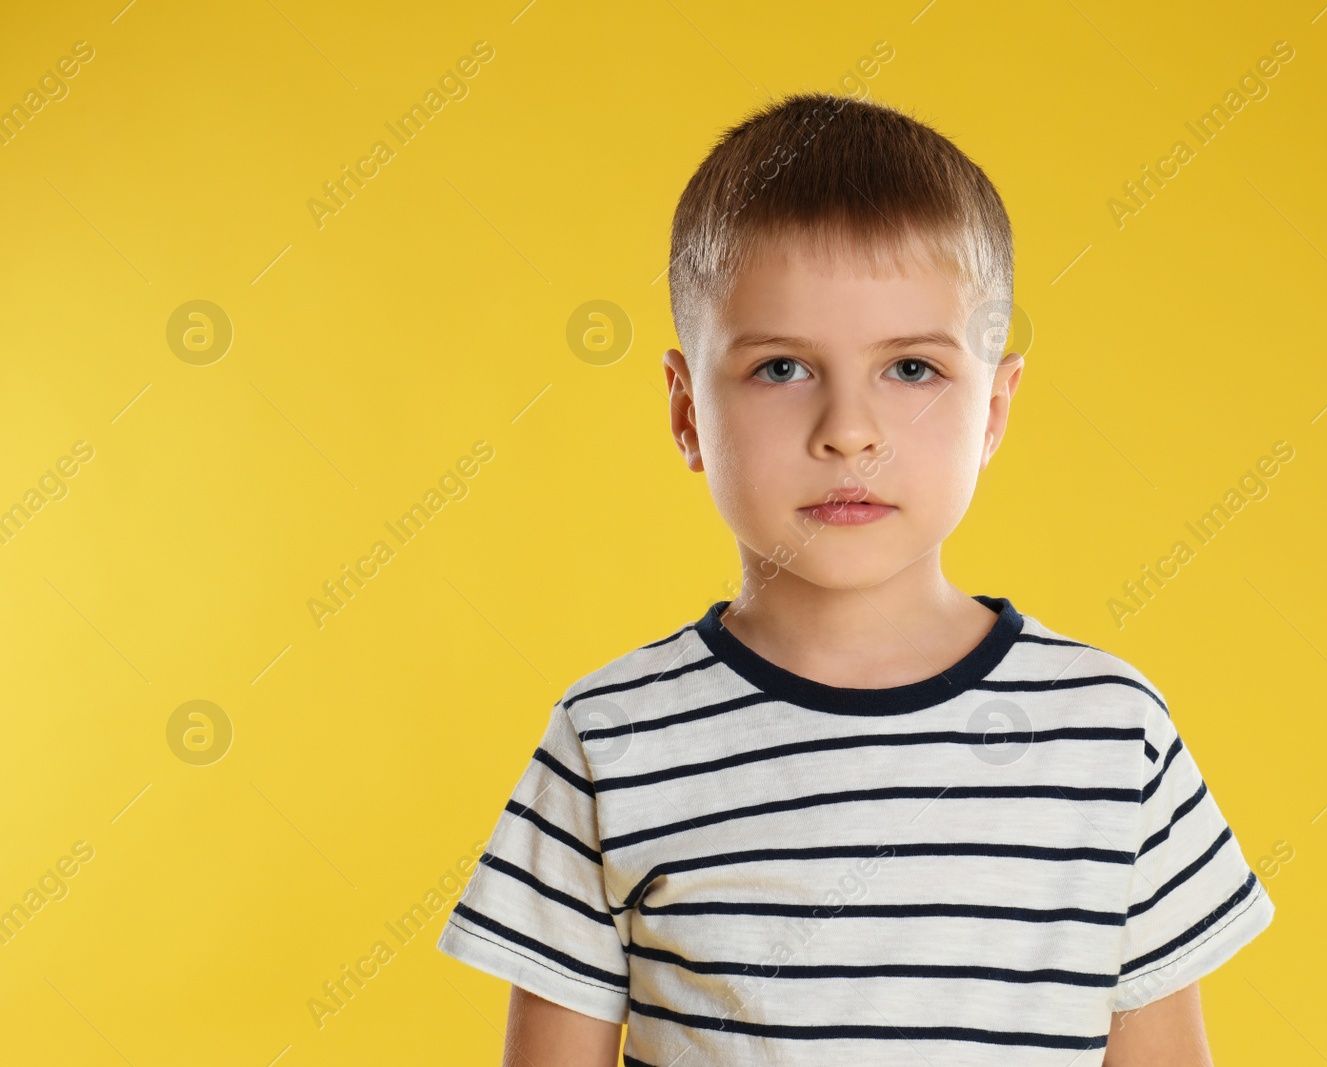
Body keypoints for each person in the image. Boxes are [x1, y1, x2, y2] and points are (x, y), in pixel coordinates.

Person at [437, 89, 1274, 1066]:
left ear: (994, 408)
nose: (849, 428)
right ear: (684, 410)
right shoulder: (611, 738)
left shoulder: (1110, 734)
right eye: (783, 367)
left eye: (911, 369)